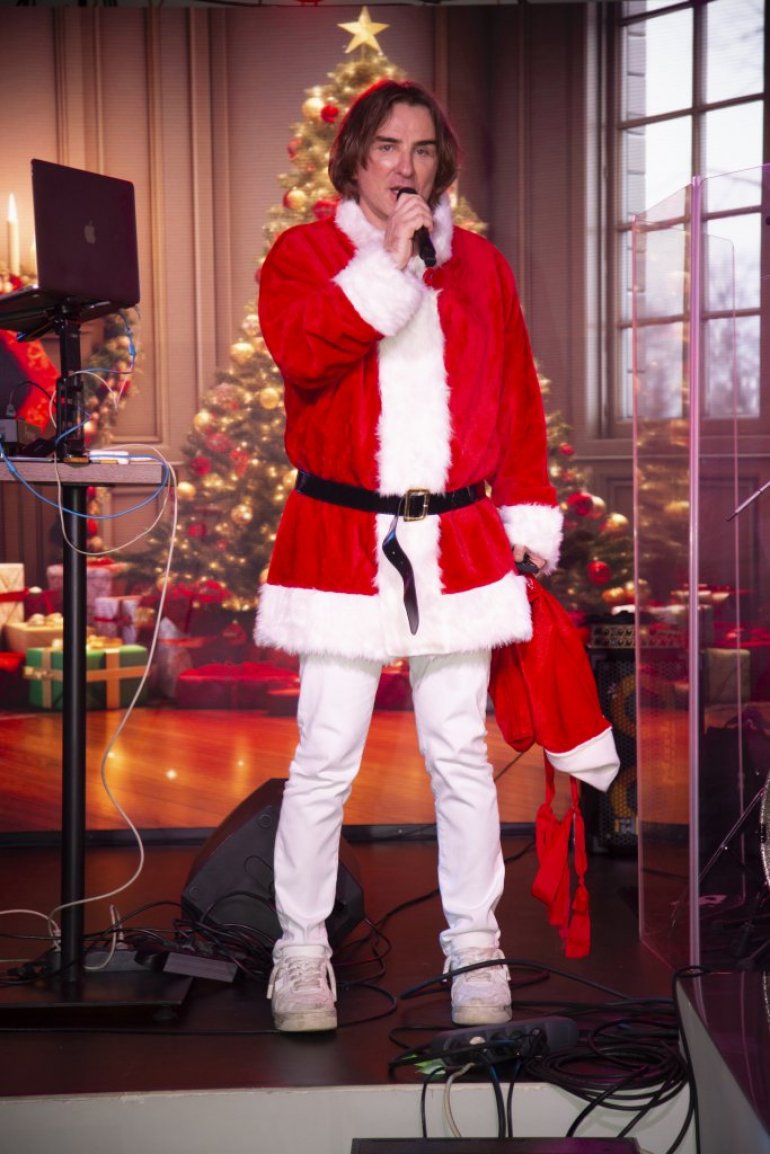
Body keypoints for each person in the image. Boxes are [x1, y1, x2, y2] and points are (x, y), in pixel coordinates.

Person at [256, 78, 564, 1034]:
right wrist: (388, 265)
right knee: (324, 756)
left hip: (456, 539)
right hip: (341, 537)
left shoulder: (483, 268)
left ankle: (475, 946)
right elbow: (305, 354)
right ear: (354, 159)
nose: (406, 166)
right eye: (388, 147)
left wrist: (527, 517)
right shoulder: (304, 256)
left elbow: (516, 402)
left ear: (442, 166)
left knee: (460, 754)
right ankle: (300, 950)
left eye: (423, 150)